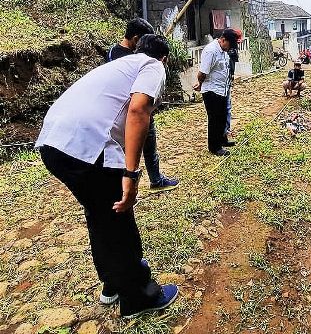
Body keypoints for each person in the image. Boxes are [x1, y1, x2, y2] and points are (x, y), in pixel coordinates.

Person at [36, 34, 179, 319]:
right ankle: (138, 297)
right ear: (163, 58)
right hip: (88, 146)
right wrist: (131, 173)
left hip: (54, 143)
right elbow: (139, 109)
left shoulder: (116, 66)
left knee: (99, 212)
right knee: (118, 217)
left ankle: (111, 284)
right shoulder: (152, 66)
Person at [106, 17, 178, 192]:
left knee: (149, 146)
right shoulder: (128, 57)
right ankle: (126, 185)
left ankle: (155, 179)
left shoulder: (115, 53)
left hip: (137, 110)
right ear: (137, 39)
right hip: (129, 112)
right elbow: (136, 104)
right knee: (126, 150)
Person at [194, 28, 240, 156]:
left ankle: (222, 140)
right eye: (229, 45)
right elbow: (203, 72)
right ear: (223, 40)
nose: (229, 48)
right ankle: (214, 147)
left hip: (222, 89)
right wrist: (200, 83)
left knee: (223, 117)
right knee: (215, 119)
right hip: (212, 90)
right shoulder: (211, 51)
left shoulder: (223, 50)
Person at [224, 44, 240, 147]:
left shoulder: (232, 51)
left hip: (228, 80)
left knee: (228, 108)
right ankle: (224, 132)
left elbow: (235, 62)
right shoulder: (223, 53)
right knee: (224, 109)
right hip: (221, 84)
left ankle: (227, 131)